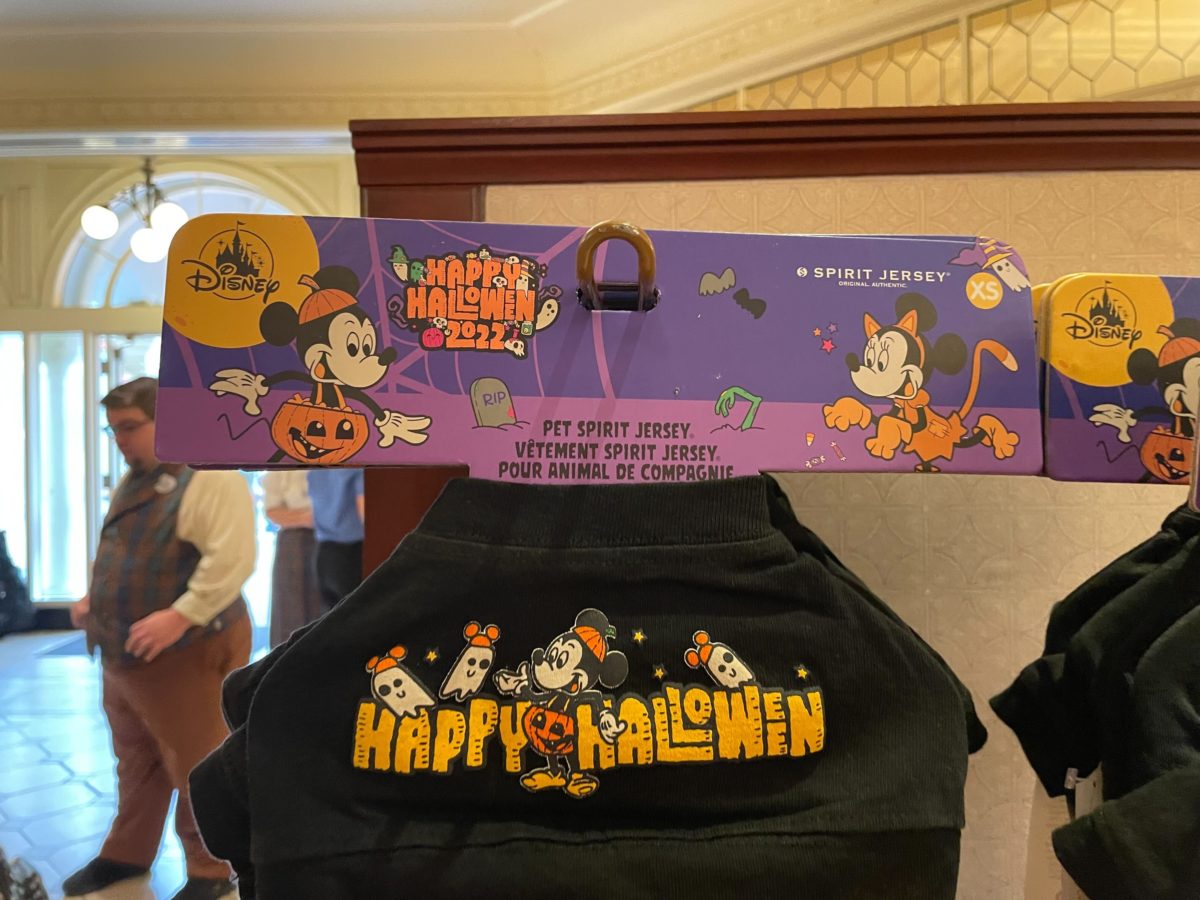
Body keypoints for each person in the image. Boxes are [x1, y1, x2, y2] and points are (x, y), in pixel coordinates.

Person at [65, 377, 255, 900]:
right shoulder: (138, 476)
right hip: (127, 655)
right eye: (113, 430)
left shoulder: (210, 476)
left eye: (130, 427)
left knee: (198, 762)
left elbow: (232, 559)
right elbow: (123, 547)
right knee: (136, 761)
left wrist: (181, 616)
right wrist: (93, 599)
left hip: (188, 650)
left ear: (166, 420)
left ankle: (213, 869)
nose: (120, 440)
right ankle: (126, 853)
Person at [261, 470, 322, 646]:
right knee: (289, 614)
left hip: (337, 537)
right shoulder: (283, 464)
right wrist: (309, 518)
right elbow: (272, 509)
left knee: (329, 609)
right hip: (292, 540)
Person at [306, 468, 364, 610]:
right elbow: (364, 510)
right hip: (351, 553)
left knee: (331, 615)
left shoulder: (315, 471)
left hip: (323, 554)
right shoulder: (356, 470)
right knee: (356, 614)